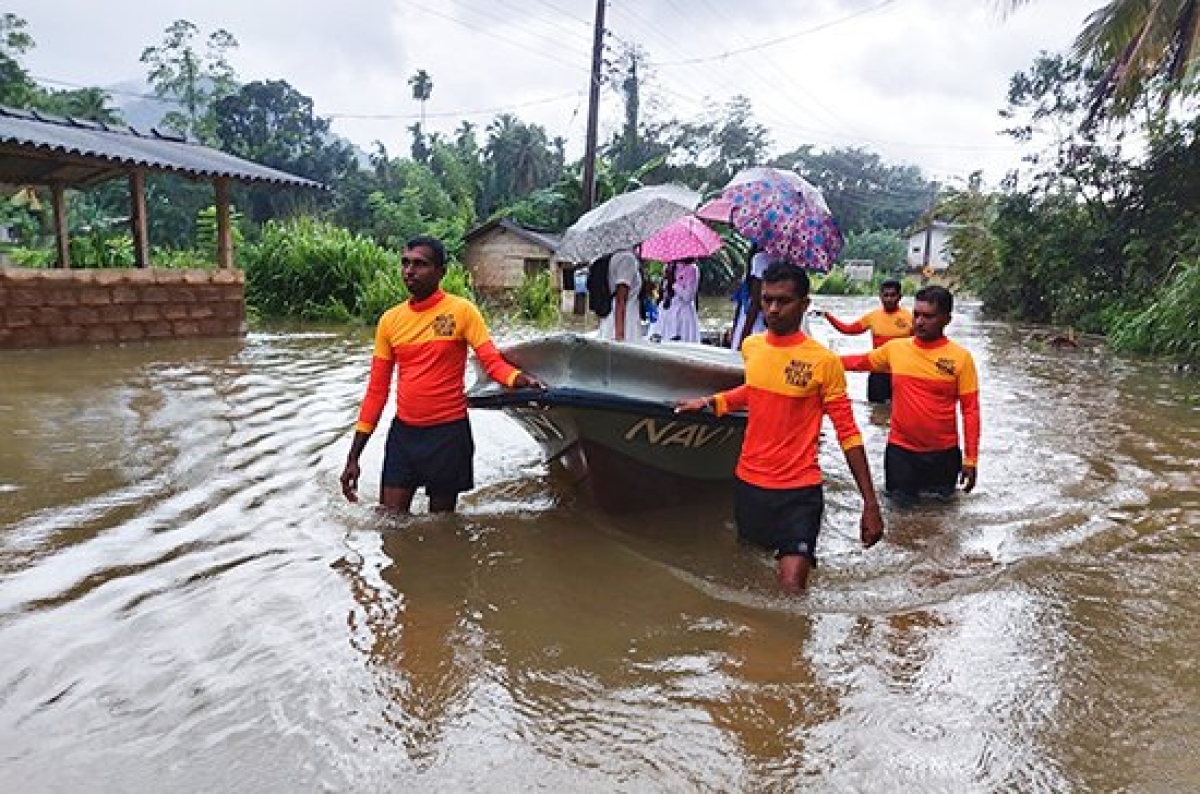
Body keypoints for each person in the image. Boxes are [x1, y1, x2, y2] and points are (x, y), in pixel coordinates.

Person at [676, 261, 884, 592]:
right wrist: (711, 403)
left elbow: (848, 433)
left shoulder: (824, 362)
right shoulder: (752, 347)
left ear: (804, 305)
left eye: (783, 301)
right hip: (750, 483)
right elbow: (755, 391)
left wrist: (870, 504)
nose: (773, 309)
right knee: (751, 574)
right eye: (767, 299)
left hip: (799, 491)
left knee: (791, 586)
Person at [340, 235, 545, 513]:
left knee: (441, 529)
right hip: (404, 437)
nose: (409, 271)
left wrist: (520, 380)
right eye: (405, 263)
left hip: (448, 436)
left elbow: (491, 362)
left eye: (420, 264)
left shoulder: (461, 311)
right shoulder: (390, 321)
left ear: (441, 272)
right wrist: (354, 456)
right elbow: (377, 392)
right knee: (390, 523)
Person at [839, 285, 980, 505]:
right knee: (898, 519)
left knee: (941, 521)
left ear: (946, 319)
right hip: (901, 453)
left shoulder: (961, 358)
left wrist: (971, 459)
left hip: (943, 456)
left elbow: (971, 411)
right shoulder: (895, 350)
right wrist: (821, 362)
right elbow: (858, 362)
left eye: (928, 316)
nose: (920, 322)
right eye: (916, 314)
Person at [817, 279, 913, 403]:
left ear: (900, 297)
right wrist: (828, 316)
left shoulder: (910, 318)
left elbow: (921, 345)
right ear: (880, 296)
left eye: (893, 295)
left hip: (901, 374)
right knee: (875, 411)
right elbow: (848, 329)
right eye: (886, 295)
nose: (889, 299)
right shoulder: (872, 317)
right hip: (878, 373)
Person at [598, 247, 643, 342]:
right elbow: (620, 300)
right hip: (624, 322)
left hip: (613, 319)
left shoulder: (614, 257)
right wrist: (620, 337)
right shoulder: (627, 259)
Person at [729, 243, 769, 350]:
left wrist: (743, 338)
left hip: (753, 321)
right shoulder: (784, 260)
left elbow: (755, 303)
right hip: (767, 323)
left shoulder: (760, 259)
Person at [653, 257, 701, 343]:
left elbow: (688, 297)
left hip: (683, 315)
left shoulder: (692, 269)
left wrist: (674, 284)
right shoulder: (668, 266)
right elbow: (664, 292)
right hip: (666, 313)